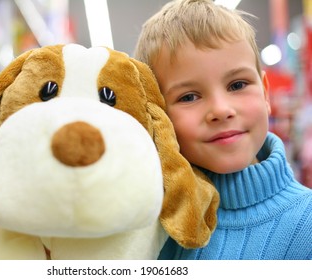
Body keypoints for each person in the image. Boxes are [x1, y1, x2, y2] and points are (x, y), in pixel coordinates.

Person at [134, 0, 312, 260]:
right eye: (189, 97)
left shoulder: (306, 224)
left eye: (237, 85)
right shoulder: (149, 227)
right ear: (158, 115)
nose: (220, 109)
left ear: (265, 92)